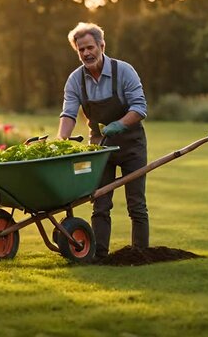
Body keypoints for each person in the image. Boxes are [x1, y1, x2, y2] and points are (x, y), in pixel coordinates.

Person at [57, 22, 149, 258]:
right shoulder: (75, 80)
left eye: (90, 47)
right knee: (100, 204)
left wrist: (120, 124)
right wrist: (61, 141)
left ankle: (140, 254)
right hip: (100, 148)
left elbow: (140, 107)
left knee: (136, 204)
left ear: (101, 45)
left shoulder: (124, 71)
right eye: (81, 50)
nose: (86, 53)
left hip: (132, 145)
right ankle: (98, 255)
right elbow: (69, 113)